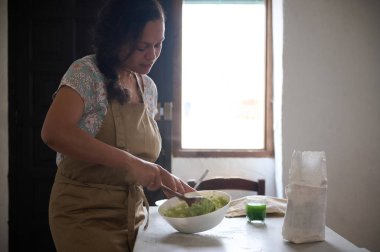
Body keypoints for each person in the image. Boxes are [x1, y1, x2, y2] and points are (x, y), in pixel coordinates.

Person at [41, 0, 195, 251]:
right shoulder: (86, 74)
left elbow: (137, 153)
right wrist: (131, 163)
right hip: (84, 215)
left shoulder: (148, 88)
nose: (152, 55)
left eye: (158, 44)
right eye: (142, 46)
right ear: (117, 39)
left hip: (134, 216)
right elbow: (54, 132)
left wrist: (161, 175)